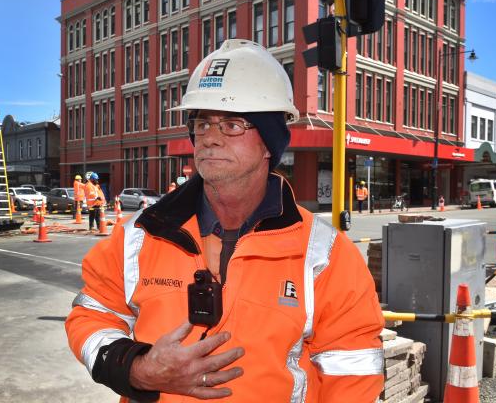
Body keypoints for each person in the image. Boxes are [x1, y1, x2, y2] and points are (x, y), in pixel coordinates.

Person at [66, 40, 384, 402]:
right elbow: (92, 316)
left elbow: (352, 369)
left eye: (232, 125)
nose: (210, 139)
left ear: (269, 143)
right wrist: (137, 369)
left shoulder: (323, 254)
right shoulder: (140, 235)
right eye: (202, 124)